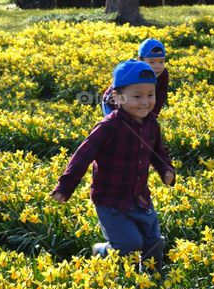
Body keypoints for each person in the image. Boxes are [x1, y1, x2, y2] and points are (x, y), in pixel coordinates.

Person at [51, 59, 176, 272]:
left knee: (154, 241)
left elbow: (158, 152)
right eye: (137, 96)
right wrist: (65, 186)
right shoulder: (108, 126)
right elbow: (83, 155)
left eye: (150, 95)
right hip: (110, 201)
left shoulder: (151, 123)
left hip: (140, 197)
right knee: (129, 245)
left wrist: (166, 169)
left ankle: (152, 283)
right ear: (118, 97)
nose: (145, 102)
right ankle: (101, 251)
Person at [101, 38, 169, 117]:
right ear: (140, 60)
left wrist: (152, 118)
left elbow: (160, 97)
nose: (157, 66)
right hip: (112, 103)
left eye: (161, 61)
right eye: (152, 62)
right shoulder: (131, 72)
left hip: (137, 102)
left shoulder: (163, 75)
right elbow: (119, 97)